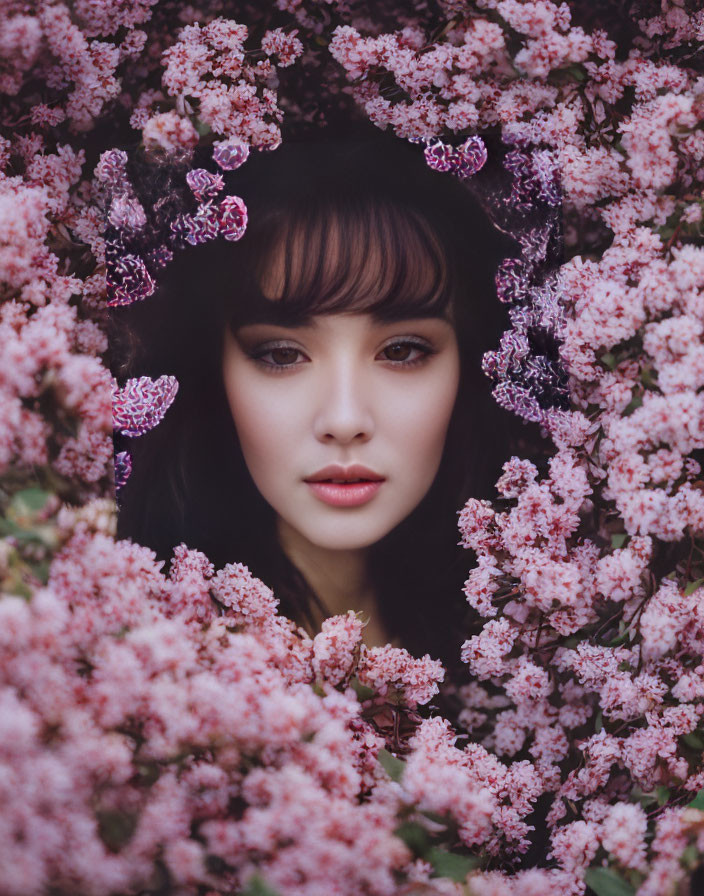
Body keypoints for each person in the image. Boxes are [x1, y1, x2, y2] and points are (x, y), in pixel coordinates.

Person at [111, 127, 522, 669]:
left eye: (402, 351)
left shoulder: (528, 656)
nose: (345, 419)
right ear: (218, 371)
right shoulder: (133, 667)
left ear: (471, 365)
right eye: (282, 355)